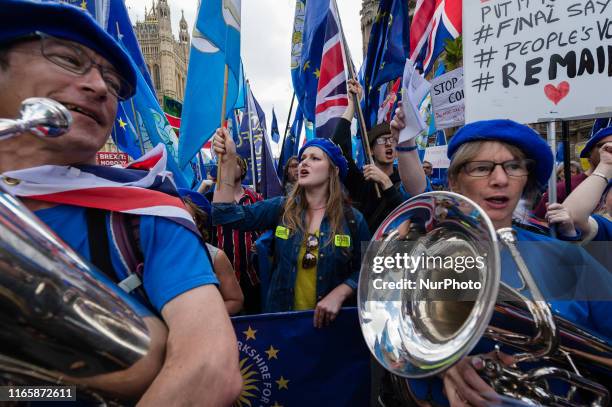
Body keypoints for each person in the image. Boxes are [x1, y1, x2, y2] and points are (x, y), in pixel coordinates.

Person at [0, 1, 241, 404]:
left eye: (112, 83)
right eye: (67, 59)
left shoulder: (146, 213)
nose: (98, 88)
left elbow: (209, 370)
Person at [392, 118, 612, 406]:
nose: (500, 179)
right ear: (454, 181)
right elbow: (391, 339)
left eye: (514, 167)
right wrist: (439, 363)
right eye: (482, 168)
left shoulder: (567, 256)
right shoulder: (423, 254)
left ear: (526, 181)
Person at [211, 128, 370, 327]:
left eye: (315, 158)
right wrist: (228, 161)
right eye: (303, 158)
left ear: (333, 170)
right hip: (283, 329)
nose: (304, 162)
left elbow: (369, 269)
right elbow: (223, 215)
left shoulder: (354, 220)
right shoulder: (281, 208)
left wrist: (341, 292)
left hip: (332, 330)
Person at [332, 79, 426, 232]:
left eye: (392, 140)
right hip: (366, 250)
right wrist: (352, 105)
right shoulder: (361, 180)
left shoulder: (407, 182)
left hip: (396, 251)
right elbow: (337, 148)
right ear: (370, 150)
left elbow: (410, 218)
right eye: (382, 141)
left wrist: (386, 183)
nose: (389, 144)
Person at [206, 156, 263, 314]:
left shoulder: (255, 198)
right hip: (223, 275)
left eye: (234, 163)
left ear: (243, 168)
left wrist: (262, 243)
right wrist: (203, 187)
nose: (229, 166)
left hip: (252, 275)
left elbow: (267, 230)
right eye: (224, 164)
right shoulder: (213, 199)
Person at [179, 188, 244, 315]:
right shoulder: (155, 257)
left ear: (198, 222)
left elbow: (235, 301)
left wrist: (202, 317)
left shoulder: (215, 257)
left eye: (188, 218)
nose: (182, 224)